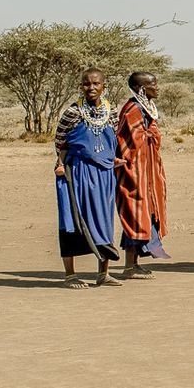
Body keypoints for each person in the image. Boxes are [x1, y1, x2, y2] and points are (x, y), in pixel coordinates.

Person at [53, 69, 120, 287]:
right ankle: (70, 275)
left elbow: (114, 140)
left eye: (95, 83)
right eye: (86, 84)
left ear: (104, 85)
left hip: (103, 175)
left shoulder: (112, 112)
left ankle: (104, 273)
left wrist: (112, 159)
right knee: (72, 218)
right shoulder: (72, 112)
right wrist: (61, 163)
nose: (91, 88)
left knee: (104, 219)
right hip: (77, 173)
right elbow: (60, 142)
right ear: (81, 86)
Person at [114, 71, 169, 277]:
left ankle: (133, 264)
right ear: (142, 88)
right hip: (134, 172)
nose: (158, 87)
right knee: (135, 215)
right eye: (154, 84)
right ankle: (129, 267)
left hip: (147, 171)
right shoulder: (132, 109)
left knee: (144, 215)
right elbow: (127, 142)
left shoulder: (145, 108)